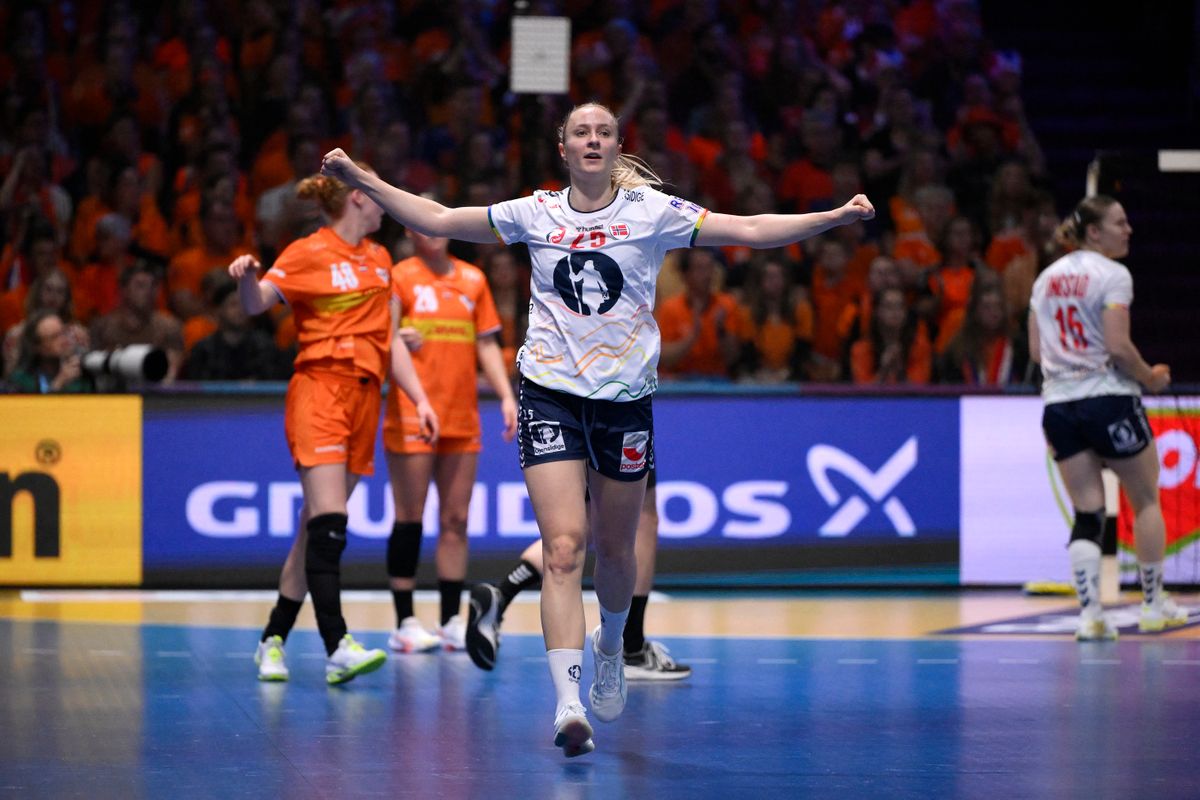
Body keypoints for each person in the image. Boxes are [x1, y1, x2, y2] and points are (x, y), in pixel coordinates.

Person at [320, 101, 874, 757]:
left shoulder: (651, 214)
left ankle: (613, 644)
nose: (592, 140)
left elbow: (750, 229)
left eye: (603, 132)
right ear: (563, 147)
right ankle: (567, 705)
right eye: (580, 131)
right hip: (550, 394)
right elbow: (438, 219)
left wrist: (834, 217)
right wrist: (363, 178)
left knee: (616, 555)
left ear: (616, 147)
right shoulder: (536, 213)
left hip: (624, 405)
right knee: (563, 547)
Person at [228, 167, 439, 684]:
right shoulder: (307, 252)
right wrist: (248, 277)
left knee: (312, 532)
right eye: (376, 194)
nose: (385, 202)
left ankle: (272, 639)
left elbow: (389, 343)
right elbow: (257, 304)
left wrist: (420, 399)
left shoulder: (382, 259)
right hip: (320, 389)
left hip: (367, 398)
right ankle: (335, 644)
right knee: (329, 524)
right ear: (357, 200)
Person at [1028, 194, 1184, 640]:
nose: (1128, 229)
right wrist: (1150, 377)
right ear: (1094, 232)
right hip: (1108, 398)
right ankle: (1153, 604)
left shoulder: (1044, 280)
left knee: (1088, 513)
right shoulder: (1114, 275)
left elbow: (1038, 352)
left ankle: (1090, 614)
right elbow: (1117, 346)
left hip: (1058, 405)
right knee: (1146, 499)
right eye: (1120, 222)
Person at [382, 227, 518, 654]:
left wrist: (506, 396)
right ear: (409, 232)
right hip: (412, 414)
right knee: (410, 517)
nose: (433, 233)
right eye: (422, 225)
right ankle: (404, 621)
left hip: (462, 417)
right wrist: (398, 338)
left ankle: (449, 621)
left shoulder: (473, 279)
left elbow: (486, 343)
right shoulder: (399, 276)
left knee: (456, 521)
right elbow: (380, 337)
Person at [466, 469, 691, 682]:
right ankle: (633, 648)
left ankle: (504, 591)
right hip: (618, 430)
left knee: (586, 524)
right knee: (640, 514)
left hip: (570, 432)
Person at [6, 309, 93, 393]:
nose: (64, 340)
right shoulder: (20, 381)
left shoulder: (81, 375)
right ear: (37, 347)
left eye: (64, 332)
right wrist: (58, 384)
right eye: (54, 337)